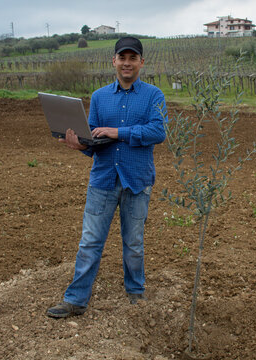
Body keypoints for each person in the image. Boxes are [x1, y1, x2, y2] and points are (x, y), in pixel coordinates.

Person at [47, 36, 167, 318]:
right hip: (103, 180)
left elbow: (157, 132)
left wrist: (117, 132)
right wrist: (79, 145)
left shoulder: (154, 96)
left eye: (132, 58)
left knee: (134, 244)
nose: (127, 63)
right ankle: (75, 299)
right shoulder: (100, 97)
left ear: (141, 62)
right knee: (90, 241)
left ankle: (135, 293)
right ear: (113, 61)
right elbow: (92, 140)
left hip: (137, 181)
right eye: (122, 58)